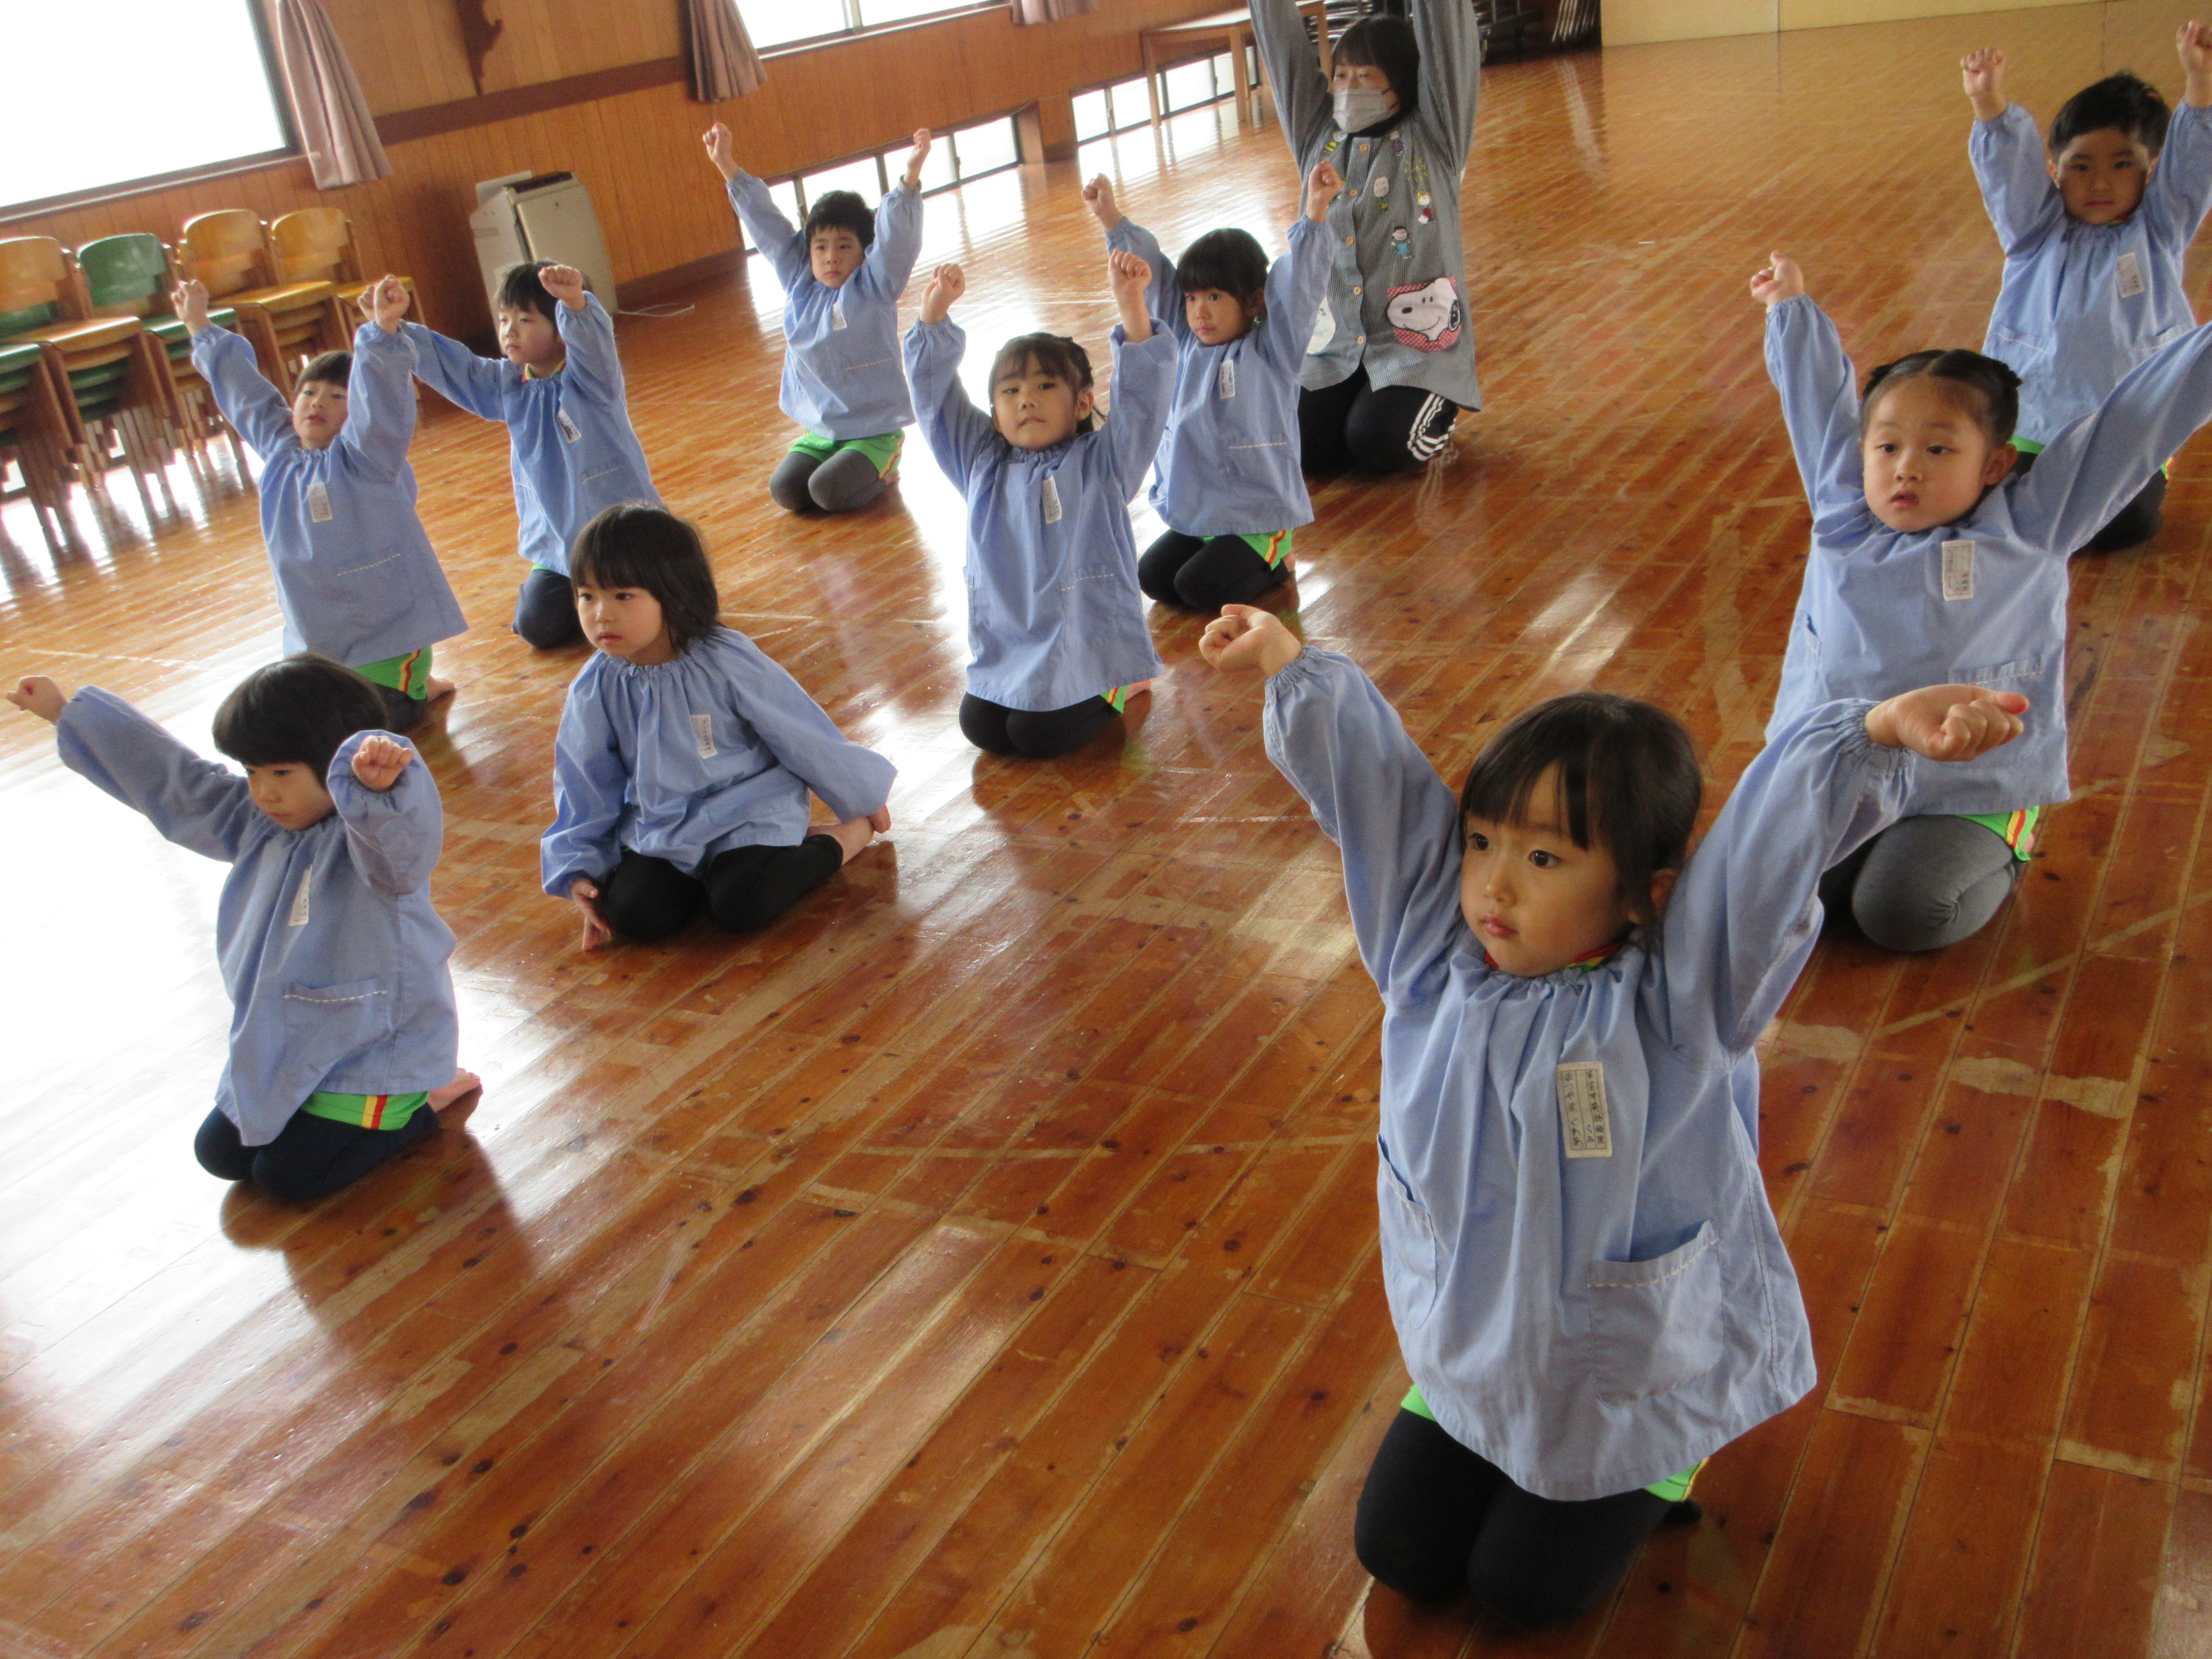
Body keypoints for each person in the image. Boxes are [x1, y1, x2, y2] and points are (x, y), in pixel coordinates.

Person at [1200, 600, 2027, 1628]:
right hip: (1475, 1336)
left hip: (1622, 1369)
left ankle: (1671, 1453)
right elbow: (1379, 795)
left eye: (1545, 860)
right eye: (1483, 841)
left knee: (1521, 1593)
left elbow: (1761, 859)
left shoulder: (1683, 1002)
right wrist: (1294, 666)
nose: (1494, 886)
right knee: (1398, 1553)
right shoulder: (1428, 956)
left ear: (1646, 894)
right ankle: (1477, 1396)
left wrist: (1870, 735)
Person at [1755, 250, 2212, 951]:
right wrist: (1789, 308)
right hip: (1850, 767)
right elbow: (1813, 396)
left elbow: (2136, 419)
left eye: (1939, 450)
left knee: (1900, 913)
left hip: (1968, 786)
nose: (1906, 468)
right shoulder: (1842, 509)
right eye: (1887, 447)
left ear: (1995, 463)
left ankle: (2006, 841)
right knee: (1772, 896)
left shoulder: (2034, 522)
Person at [7, 657, 477, 1202]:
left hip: (372, 1053)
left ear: (337, 764)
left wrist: (375, 793)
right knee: (219, 1155)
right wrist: (66, 714)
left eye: (282, 774)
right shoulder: (258, 822)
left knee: (289, 1178)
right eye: (253, 772)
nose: (264, 793)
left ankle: (418, 1103)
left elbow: (402, 843)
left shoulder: (375, 844)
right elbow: (176, 781)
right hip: (283, 1041)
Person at [542, 504, 895, 950]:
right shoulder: (597, 683)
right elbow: (584, 777)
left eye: (623, 596)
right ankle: (713, 873)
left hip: (749, 809)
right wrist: (580, 869)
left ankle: (841, 840)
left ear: (674, 595)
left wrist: (861, 795)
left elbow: (800, 732)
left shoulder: (725, 660)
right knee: (632, 914)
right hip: (666, 822)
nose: (601, 615)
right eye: (587, 596)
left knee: (744, 903)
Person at [901, 252, 1176, 758]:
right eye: (1011, 390)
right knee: (981, 726)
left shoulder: (1104, 463)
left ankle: (1119, 679)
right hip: (1012, 646)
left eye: (1045, 385)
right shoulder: (980, 464)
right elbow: (935, 403)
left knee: (1038, 735)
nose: (1026, 398)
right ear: (995, 413)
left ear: (1082, 402)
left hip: (1086, 644)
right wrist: (934, 314)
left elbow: (1143, 401)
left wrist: (1130, 304)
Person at [1960, 24, 2212, 552]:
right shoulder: (2035, 231)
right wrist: (1989, 104)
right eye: (2081, 167)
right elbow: (2008, 175)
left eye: (2122, 166)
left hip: (2130, 426)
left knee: (2126, 525)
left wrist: (2200, 81)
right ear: (2055, 169)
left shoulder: (2158, 229)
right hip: (2036, 419)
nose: (2100, 183)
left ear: (2150, 171)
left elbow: (2193, 168)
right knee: (2003, 510)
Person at [180, 276, 466, 732]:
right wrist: (200, 326)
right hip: (319, 645)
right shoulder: (282, 452)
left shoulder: (368, 459)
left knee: (357, 727)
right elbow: (247, 396)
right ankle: (415, 685)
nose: (317, 404)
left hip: (385, 643)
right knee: (287, 724)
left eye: (337, 397)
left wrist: (381, 333)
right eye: (309, 392)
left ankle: (417, 685)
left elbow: (383, 404)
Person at [1084, 160, 1341, 610]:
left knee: (1201, 590)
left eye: (1215, 297)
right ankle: (1222, 554)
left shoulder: (1274, 348)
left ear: (1255, 301)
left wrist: (1315, 211)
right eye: (1193, 298)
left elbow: (1300, 285)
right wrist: (1112, 221)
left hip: (1256, 515)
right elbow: (1155, 279)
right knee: (1154, 578)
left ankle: (1277, 559)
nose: (1199, 311)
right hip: (1202, 511)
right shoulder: (1182, 342)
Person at [1251, 0, 1481, 474]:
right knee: (1303, 447)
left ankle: (1438, 406)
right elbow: (1283, 51)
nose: (1349, 88)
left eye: (1367, 76)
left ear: (1403, 81)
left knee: (1378, 442)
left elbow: (1447, 38)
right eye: (1341, 76)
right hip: (1336, 348)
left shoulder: (1435, 138)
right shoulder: (1319, 139)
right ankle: (1363, 406)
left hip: (1414, 349)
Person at [403, 259, 662, 649]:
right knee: (536, 626)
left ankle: (602, 597)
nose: (510, 330)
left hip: (620, 539)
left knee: (658, 608)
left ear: (561, 329)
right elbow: (459, 369)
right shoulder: (507, 385)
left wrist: (575, 304)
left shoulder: (591, 379)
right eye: (504, 319)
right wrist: (396, 329)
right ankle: (585, 599)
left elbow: (594, 345)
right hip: (560, 552)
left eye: (525, 320)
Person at [704, 123, 930, 515]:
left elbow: (897, 241)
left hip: (872, 429)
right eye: (821, 247)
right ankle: (841, 461)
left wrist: (910, 178)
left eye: (845, 246)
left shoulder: (876, 284)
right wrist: (727, 165)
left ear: (865, 251)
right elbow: (768, 226)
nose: (831, 257)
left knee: (828, 492)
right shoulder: (799, 279)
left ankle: (886, 466)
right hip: (822, 430)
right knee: (788, 492)